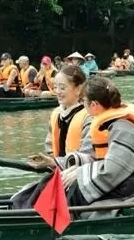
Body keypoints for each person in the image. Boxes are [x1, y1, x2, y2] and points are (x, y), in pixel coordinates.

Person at [13, 76, 134, 210]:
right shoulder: (103, 122)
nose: (83, 106)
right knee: (53, 181)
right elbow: (92, 156)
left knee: (73, 189)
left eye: (84, 102)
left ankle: (47, 219)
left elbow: (115, 169)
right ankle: (23, 207)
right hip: (120, 177)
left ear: (94, 104)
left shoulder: (124, 127)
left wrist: (79, 173)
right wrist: (56, 163)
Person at [13, 65, 91, 202]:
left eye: (63, 87)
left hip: (79, 177)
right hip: (59, 174)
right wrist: (47, 161)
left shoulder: (89, 116)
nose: (58, 92)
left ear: (78, 89)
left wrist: (54, 162)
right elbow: (50, 148)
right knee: (19, 198)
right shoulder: (56, 114)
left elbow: (89, 156)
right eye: (56, 87)